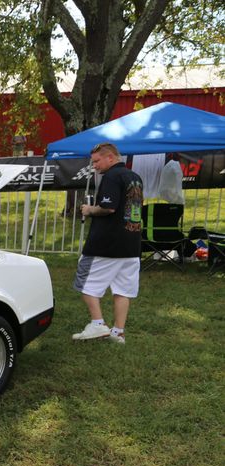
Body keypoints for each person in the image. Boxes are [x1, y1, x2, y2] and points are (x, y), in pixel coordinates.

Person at [72, 142, 143, 345]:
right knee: (123, 290)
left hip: (106, 244)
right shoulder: (135, 177)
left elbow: (108, 207)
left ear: (110, 157)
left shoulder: (111, 176)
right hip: (131, 243)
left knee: (84, 283)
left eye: (96, 161)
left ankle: (98, 323)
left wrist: (89, 209)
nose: (94, 166)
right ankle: (118, 332)